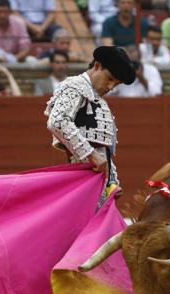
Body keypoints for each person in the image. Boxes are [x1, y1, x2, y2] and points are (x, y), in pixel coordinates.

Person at [44, 46, 136, 195]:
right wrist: (91, 155)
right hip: (81, 178)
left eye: (116, 84)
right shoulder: (74, 86)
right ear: (97, 66)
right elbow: (58, 121)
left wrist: (111, 181)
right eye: (110, 79)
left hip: (95, 180)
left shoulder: (97, 99)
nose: (111, 87)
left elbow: (103, 151)